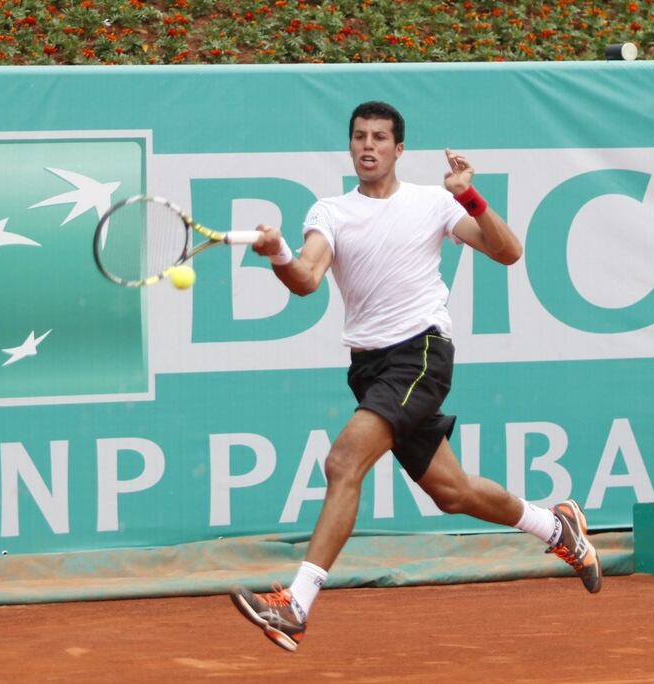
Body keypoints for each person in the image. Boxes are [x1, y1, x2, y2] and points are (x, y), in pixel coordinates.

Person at [230, 101, 601, 652]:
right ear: (350, 145)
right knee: (452, 492)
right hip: (370, 367)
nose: (368, 146)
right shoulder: (330, 212)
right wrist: (279, 250)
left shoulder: (433, 203)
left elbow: (509, 251)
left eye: (380, 138)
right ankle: (556, 526)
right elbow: (306, 278)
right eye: (359, 137)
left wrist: (467, 197)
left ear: (399, 149)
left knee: (342, 462)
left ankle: (298, 605)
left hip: (421, 353)